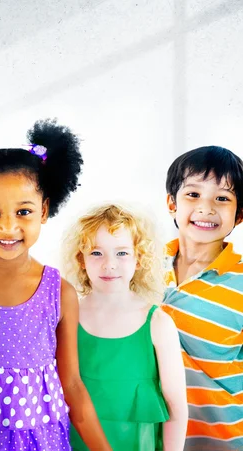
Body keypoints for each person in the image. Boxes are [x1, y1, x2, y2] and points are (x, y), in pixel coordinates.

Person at [0, 119, 110, 450]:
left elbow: (71, 382)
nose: (8, 226)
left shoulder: (59, 291)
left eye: (23, 211)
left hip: (39, 437)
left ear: (44, 210)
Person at [63, 204, 188, 450]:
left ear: (139, 259)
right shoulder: (66, 318)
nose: (109, 264)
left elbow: (176, 407)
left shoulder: (158, 323)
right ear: (81, 259)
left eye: (121, 253)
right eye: (96, 253)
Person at [162, 146, 243, 451]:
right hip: (153, 439)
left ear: (239, 215)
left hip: (223, 442)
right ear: (172, 203)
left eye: (222, 198)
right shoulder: (140, 268)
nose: (206, 208)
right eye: (193, 194)